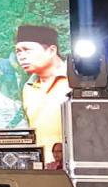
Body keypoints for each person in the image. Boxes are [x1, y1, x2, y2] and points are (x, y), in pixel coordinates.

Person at [15, 25, 70, 163]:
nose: (21, 56)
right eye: (18, 51)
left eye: (27, 50)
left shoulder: (74, 81)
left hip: (73, 166)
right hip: (41, 167)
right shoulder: (28, 87)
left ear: (51, 51)